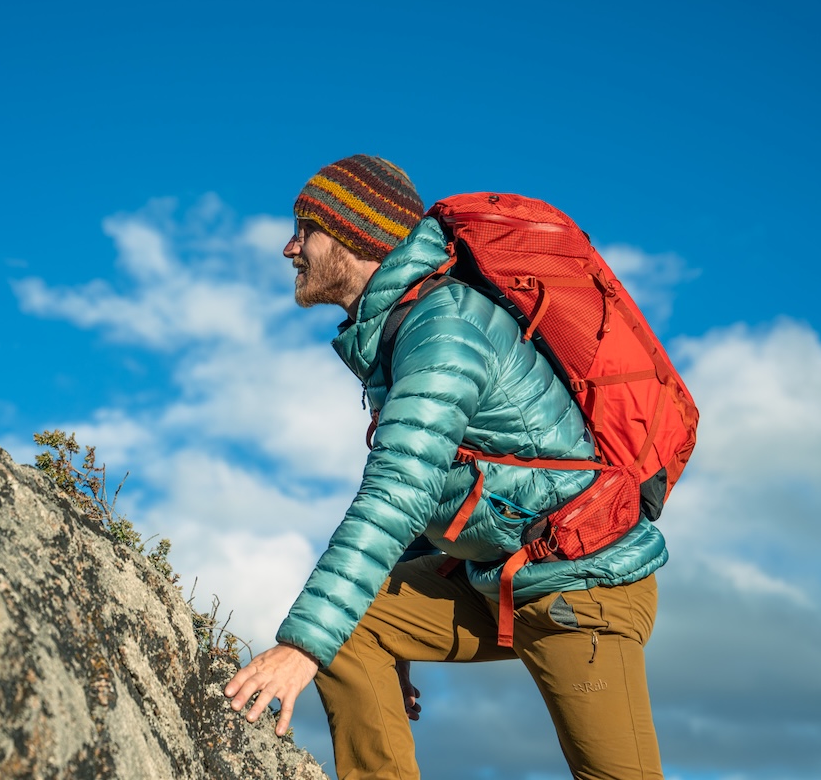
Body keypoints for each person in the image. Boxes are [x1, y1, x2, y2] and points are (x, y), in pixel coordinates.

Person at [225, 155, 668, 779]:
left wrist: (301, 645)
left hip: (581, 587)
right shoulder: (399, 329)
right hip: (497, 576)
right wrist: (382, 640)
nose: (288, 247)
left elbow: (398, 489)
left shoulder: (444, 325)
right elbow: (437, 485)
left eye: (306, 228)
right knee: (352, 632)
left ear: (355, 234)